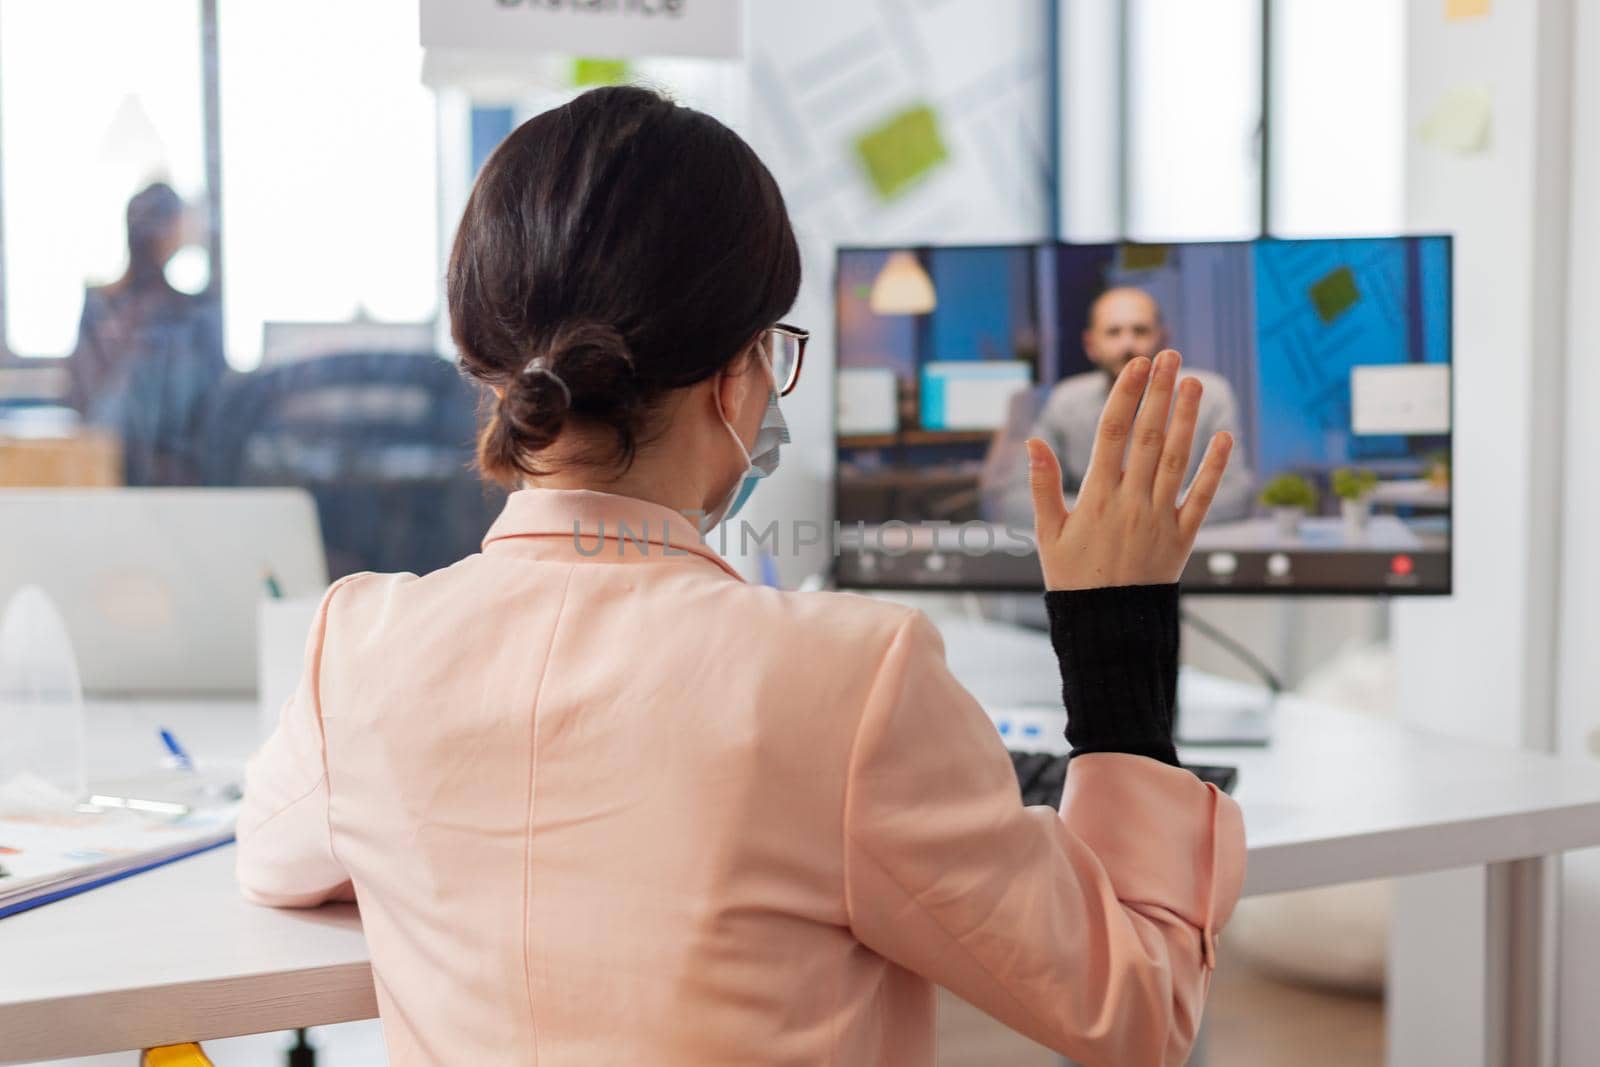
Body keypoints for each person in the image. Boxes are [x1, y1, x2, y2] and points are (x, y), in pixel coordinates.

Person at [236, 87, 1245, 1066]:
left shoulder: (357, 645)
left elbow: (273, 860)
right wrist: (1117, 631)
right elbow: (1138, 1005)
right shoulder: (852, 677)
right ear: (737, 374)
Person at [997, 286, 1254, 526]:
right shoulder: (1066, 401)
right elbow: (1017, 500)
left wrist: (1133, 515)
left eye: (1140, 331)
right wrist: (1115, 515)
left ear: (1163, 338)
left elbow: (1236, 494)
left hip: (1181, 556)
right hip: (1092, 557)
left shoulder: (1207, 396)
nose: (1128, 345)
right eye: (1113, 332)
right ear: (1090, 345)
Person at [65, 181, 225, 484]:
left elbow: (210, 415)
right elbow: (87, 409)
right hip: (112, 471)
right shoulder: (104, 310)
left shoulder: (191, 316)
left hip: (178, 476)